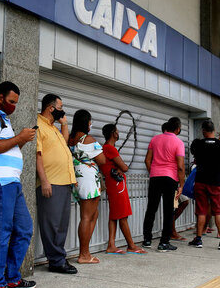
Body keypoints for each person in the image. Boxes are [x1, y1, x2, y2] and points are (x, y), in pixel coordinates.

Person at [0, 82, 37, 288]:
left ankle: (12, 277)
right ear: (0, 98)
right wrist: (19, 138)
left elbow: (6, 147)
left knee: (24, 228)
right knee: (1, 233)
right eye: (11, 101)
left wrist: (20, 141)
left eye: (16, 103)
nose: (14, 106)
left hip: (12, 182)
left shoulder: (4, 120)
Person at [36, 94, 77, 274]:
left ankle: (58, 259)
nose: (63, 109)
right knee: (51, 224)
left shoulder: (52, 127)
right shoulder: (39, 125)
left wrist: (65, 124)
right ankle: (55, 260)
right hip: (51, 181)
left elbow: (65, 142)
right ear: (51, 108)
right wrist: (44, 181)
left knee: (61, 224)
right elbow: (38, 155)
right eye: (60, 106)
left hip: (64, 181)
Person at [101, 124, 147, 254]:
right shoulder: (110, 149)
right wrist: (121, 168)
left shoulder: (106, 148)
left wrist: (119, 168)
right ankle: (131, 245)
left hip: (112, 184)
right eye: (117, 131)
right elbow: (124, 167)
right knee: (122, 215)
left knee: (114, 214)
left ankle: (111, 244)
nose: (118, 133)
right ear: (113, 133)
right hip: (117, 185)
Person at [68, 110, 106, 264]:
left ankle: (85, 250)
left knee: (92, 214)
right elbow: (102, 160)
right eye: (90, 121)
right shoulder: (87, 139)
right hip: (88, 180)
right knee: (86, 216)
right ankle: (84, 254)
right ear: (86, 122)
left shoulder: (70, 139)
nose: (91, 124)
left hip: (77, 179)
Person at [188, 120, 220, 250]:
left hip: (201, 181)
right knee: (218, 211)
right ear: (214, 131)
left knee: (201, 211)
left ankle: (198, 239)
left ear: (203, 130)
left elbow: (195, 158)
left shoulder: (197, 144)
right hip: (216, 182)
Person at [143, 117, 185, 252]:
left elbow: (147, 160)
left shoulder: (155, 139)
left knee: (151, 208)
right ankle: (164, 243)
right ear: (178, 129)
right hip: (170, 179)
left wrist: (153, 171)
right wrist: (181, 184)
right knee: (169, 211)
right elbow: (180, 166)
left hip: (155, 177)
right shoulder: (178, 142)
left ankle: (147, 240)